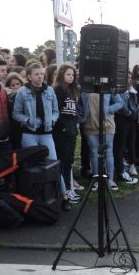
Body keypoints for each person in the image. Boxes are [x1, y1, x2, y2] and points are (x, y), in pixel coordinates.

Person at [13, 62, 70, 209]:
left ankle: (64, 197)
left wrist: (52, 119)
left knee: (53, 164)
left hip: (46, 134)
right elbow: (16, 113)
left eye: (41, 74)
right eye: (36, 74)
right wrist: (27, 120)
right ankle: (35, 202)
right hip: (29, 134)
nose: (40, 77)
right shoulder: (22, 92)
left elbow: (56, 111)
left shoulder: (50, 90)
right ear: (30, 76)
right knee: (33, 167)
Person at [80, 90, 123, 193]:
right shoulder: (85, 87)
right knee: (94, 152)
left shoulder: (109, 86)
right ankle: (96, 180)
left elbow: (120, 103)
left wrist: (108, 109)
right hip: (90, 124)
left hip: (107, 124)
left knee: (108, 152)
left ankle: (110, 180)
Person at [52, 64, 84, 203]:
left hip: (72, 129)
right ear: (61, 75)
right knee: (63, 160)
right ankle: (64, 191)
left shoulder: (73, 90)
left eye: (72, 75)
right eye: (68, 74)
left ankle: (69, 189)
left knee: (69, 161)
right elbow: (56, 110)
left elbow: (75, 111)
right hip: (62, 131)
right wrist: (62, 126)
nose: (71, 77)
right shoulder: (58, 89)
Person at [114, 71, 139, 179]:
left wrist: (134, 114)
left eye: (130, 77)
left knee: (132, 142)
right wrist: (129, 113)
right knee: (121, 144)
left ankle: (132, 164)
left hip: (131, 119)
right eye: (127, 78)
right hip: (122, 119)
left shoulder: (132, 90)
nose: (129, 80)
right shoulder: (119, 90)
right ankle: (120, 168)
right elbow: (121, 105)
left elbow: (135, 104)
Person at [0, 59, 11, 155]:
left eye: (6, 70)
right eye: (2, 70)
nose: (6, 73)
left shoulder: (3, 90)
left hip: (5, 138)